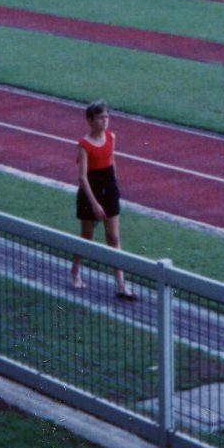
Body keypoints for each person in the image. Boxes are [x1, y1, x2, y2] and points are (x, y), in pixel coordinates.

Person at [70, 101, 136, 300]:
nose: (105, 121)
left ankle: (120, 284)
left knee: (113, 238)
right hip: (90, 192)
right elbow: (82, 178)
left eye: (107, 117)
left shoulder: (111, 137)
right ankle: (75, 271)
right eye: (100, 117)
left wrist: (114, 187)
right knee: (87, 237)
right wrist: (94, 203)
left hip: (109, 190)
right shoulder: (84, 145)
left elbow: (111, 161)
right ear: (90, 121)